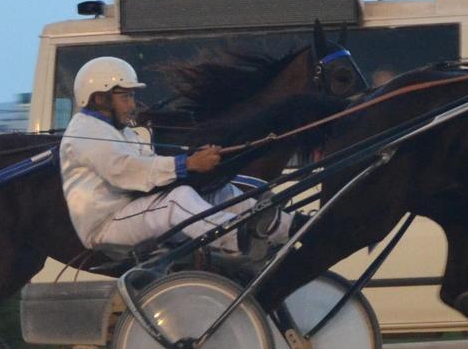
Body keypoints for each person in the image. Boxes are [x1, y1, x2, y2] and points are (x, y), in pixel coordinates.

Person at [59, 56, 293, 254]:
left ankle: (284, 227)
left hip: (133, 210)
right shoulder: (85, 130)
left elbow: (147, 164)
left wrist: (192, 160)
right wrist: (188, 164)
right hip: (106, 225)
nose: (132, 105)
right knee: (175, 201)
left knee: (216, 190)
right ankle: (240, 240)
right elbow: (127, 171)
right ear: (99, 98)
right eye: (125, 97)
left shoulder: (122, 131)